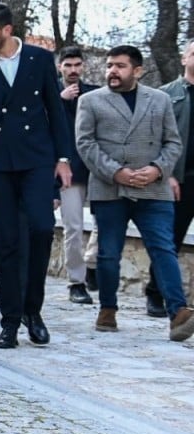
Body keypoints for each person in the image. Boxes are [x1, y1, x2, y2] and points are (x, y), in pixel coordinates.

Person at [0, 3, 73, 349]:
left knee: (40, 229)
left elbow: (55, 110)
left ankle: (32, 311)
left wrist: (63, 158)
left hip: (36, 159)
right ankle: (9, 323)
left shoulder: (38, 59)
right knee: (6, 241)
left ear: (7, 29)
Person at [75, 44, 194, 341]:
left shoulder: (160, 99)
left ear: (138, 70)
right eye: (109, 65)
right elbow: (86, 144)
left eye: (120, 66)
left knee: (164, 248)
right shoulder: (91, 101)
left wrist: (157, 169)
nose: (112, 71)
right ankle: (107, 308)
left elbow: (173, 143)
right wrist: (117, 172)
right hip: (110, 187)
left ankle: (178, 313)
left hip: (153, 188)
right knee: (108, 253)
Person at [55, 46, 100, 306]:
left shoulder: (94, 93)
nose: (73, 70)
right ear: (60, 67)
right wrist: (60, 99)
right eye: (68, 65)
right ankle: (76, 282)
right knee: (72, 227)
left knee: (104, 223)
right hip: (67, 170)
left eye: (77, 65)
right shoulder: (51, 95)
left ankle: (92, 264)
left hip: (95, 169)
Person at [153, 38, 194, 317]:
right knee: (170, 240)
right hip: (180, 178)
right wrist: (166, 173)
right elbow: (154, 139)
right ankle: (156, 294)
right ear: (184, 58)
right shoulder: (166, 95)